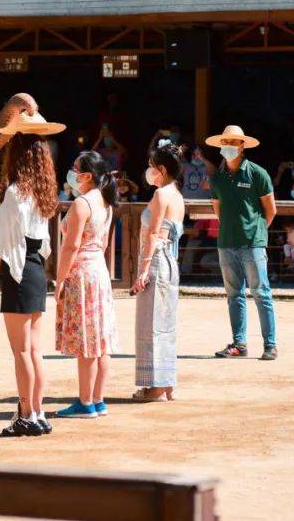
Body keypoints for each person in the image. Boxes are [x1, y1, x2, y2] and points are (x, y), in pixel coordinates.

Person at [0, 112, 64, 437]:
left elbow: (4, 241)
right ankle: (38, 411)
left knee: (21, 351)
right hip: (35, 268)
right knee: (35, 350)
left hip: (18, 270)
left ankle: (25, 413)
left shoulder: (15, 193)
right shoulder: (41, 192)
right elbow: (42, 241)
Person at [55, 151, 118, 419]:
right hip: (99, 270)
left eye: (75, 168)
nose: (72, 172)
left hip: (82, 271)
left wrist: (59, 279)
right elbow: (102, 244)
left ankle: (85, 402)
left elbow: (71, 246)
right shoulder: (106, 202)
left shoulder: (82, 203)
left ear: (87, 175)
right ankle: (98, 399)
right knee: (100, 339)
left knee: (86, 342)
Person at [206, 125, 278, 361]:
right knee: (233, 294)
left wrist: (256, 233)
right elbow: (218, 210)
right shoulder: (217, 178)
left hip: (252, 244)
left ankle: (270, 345)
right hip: (226, 243)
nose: (228, 146)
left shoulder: (258, 174)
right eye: (225, 142)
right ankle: (239, 343)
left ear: (242, 145)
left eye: (233, 142)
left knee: (261, 293)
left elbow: (271, 210)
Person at [131, 143, 184, 403]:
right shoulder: (177, 195)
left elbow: (153, 233)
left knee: (152, 323)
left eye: (153, 166)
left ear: (161, 169)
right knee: (165, 324)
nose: (149, 170)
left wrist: (143, 269)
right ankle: (167, 382)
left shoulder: (162, 195)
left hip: (157, 260)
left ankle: (156, 386)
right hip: (170, 261)